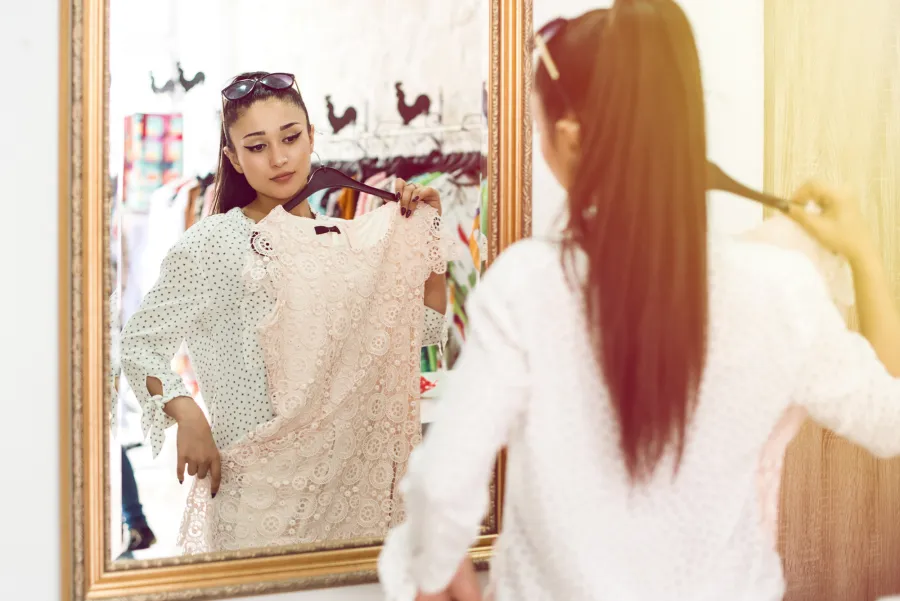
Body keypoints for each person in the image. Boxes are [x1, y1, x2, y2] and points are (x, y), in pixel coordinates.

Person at [376, 2, 900, 600]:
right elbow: (889, 420)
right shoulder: (780, 288)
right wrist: (864, 254)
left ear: (569, 139)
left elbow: (442, 485)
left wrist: (437, 563)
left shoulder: (527, 286)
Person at [119, 71, 449, 551]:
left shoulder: (345, 241)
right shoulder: (211, 245)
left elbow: (422, 330)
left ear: (312, 136)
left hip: (348, 500)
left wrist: (427, 238)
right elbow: (141, 344)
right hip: (254, 502)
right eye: (256, 146)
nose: (279, 158)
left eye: (291, 138)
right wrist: (187, 413)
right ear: (232, 157)